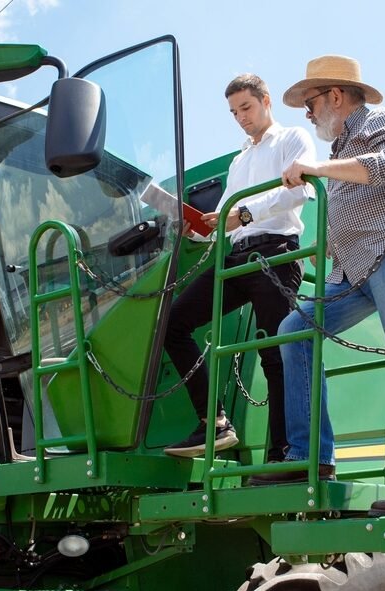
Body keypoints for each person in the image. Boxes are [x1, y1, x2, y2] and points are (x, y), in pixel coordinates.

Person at [247, 55, 385, 518]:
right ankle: (310, 455)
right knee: (295, 329)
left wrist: (314, 170)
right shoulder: (338, 152)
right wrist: (328, 245)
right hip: (354, 267)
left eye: (310, 104)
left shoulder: (384, 121)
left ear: (336, 95)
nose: (309, 115)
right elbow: (352, 205)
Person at [162, 73, 316, 460]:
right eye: (233, 112)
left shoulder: (293, 139)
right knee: (173, 323)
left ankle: (283, 455)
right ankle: (214, 424)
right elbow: (225, 221)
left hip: (275, 256)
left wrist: (243, 214)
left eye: (246, 107)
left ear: (266, 101)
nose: (241, 117)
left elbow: (298, 190)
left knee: (274, 355)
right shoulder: (239, 160)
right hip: (235, 257)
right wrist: (196, 231)